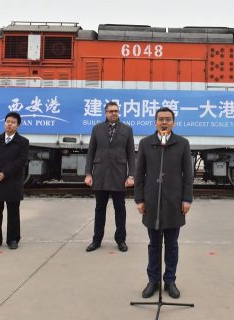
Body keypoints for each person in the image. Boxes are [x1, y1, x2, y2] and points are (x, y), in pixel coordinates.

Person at [134, 107, 193, 299]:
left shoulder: (182, 144)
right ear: (155, 122)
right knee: (154, 244)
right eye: (161, 119)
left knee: (172, 244)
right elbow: (139, 173)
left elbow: (188, 175)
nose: (164, 122)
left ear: (174, 123)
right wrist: (139, 199)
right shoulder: (145, 144)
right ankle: (153, 281)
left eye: (168, 119)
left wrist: (187, 198)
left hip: (175, 202)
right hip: (151, 202)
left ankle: (170, 281)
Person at [84, 101, 136, 253]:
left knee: (120, 209)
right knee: (99, 209)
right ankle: (96, 240)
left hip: (119, 175)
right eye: (111, 111)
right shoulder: (97, 129)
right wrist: (88, 173)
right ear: (105, 112)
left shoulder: (127, 129)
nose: (114, 113)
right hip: (100, 174)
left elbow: (131, 155)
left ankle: (121, 239)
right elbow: (91, 152)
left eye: (116, 111)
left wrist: (131, 175)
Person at [0, 112, 29, 250]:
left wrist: (4, 173)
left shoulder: (23, 142)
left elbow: (21, 161)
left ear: (18, 125)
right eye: (7, 121)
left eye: (13, 122)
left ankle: (13, 239)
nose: (9, 124)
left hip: (12, 181)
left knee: (13, 212)